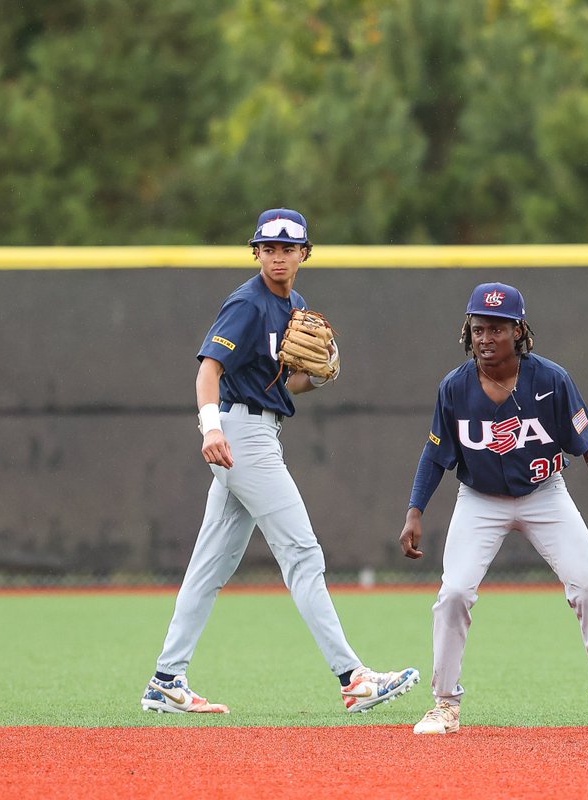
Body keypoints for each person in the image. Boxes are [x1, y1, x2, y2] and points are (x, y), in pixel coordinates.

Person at [141, 208, 418, 714]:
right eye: (269, 248)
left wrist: (320, 375)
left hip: (259, 428)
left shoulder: (296, 305)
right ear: (256, 252)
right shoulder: (246, 303)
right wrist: (211, 428)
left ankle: (166, 679)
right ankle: (352, 677)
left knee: (210, 566)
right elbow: (209, 370)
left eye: (288, 249)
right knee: (303, 554)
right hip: (241, 435)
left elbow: (281, 384)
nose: (278, 257)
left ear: (304, 254)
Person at [399, 282, 588, 735]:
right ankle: (444, 706)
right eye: (478, 329)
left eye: (496, 328)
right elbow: (435, 454)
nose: (485, 338)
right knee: (453, 594)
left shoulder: (551, 380)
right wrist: (416, 510)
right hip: (479, 500)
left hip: (545, 495)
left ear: (519, 331)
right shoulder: (454, 387)